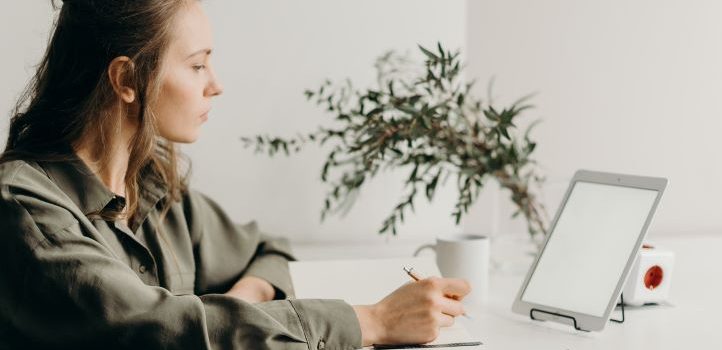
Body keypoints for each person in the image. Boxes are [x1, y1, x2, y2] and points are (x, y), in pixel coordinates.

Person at [0, 0, 471, 349]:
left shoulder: (156, 191)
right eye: (198, 64)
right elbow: (159, 328)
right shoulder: (25, 211)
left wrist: (245, 300)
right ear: (126, 80)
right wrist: (373, 321)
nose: (216, 84)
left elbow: (269, 252)